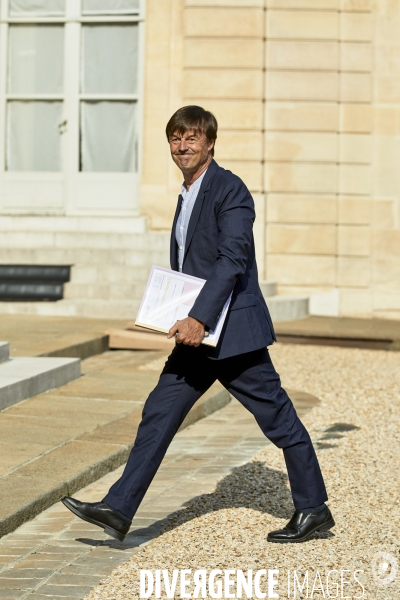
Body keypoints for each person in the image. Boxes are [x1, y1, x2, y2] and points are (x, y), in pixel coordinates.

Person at [62, 106, 334, 544]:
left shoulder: (231, 190)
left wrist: (199, 316)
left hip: (232, 335)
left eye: (191, 138)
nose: (182, 146)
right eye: (175, 138)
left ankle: (313, 508)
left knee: (277, 418)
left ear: (209, 143)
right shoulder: (187, 193)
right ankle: (118, 508)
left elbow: (232, 259)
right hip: (198, 335)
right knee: (159, 412)